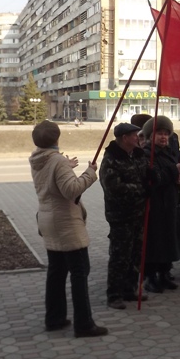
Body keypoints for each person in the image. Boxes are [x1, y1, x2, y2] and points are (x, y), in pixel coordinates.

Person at [28, 120, 107, 337]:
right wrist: (89, 172)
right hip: (66, 224)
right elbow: (71, 190)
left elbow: (53, 182)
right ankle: (84, 324)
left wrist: (67, 167)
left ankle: (54, 318)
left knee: (56, 273)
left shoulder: (39, 159)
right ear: (57, 137)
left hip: (48, 220)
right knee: (80, 272)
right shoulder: (57, 161)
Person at [99, 122, 149, 310]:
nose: (138, 138)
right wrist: (141, 189)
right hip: (120, 215)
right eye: (134, 135)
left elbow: (145, 175)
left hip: (139, 213)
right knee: (120, 256)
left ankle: (130, 289)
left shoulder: (137, 155)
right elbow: (113, 187)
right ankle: (114, 295)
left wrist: (153, 177)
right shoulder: (111, 159)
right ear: (124, 138)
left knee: (136, 253)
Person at [141, 116, 180, 287]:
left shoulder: (169, 153)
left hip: (170, 204)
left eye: (166, 134)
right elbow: (154, 178)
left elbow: (176, 172)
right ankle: (151, 277)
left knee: (168, 239)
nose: (163, 137)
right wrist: (175, 171)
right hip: (155, 206)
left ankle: (165, 273)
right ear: (150, 136)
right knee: (154, 242)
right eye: (159, 133)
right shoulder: (147, 155)